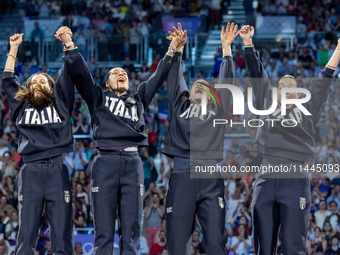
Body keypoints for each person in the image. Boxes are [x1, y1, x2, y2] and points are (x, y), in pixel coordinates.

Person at [55, 26, 183, 255]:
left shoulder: (139, 99)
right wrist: (69, 44)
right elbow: (82, 75)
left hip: (133, 163)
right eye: (115, 73)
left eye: (123, 72)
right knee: (103, 233)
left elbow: (157, 76)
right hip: (105, 161)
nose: (121, 74)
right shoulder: (98, 97)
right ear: (106, 83)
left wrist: (172, 50)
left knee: (132, 233)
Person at [240, 25, 340, 255]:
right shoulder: (267, 103)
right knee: (262, 248)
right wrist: (247, 43)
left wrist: (338, 50)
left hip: (295, 178)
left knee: (294, 246)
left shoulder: (307, 107)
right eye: (281, 85)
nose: (284, 85)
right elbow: (257, 74)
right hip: (266, 176)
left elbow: (324, 77)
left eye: (290, 85)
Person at [163, 23, 240, 255]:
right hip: (182, 175)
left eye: (206, 87)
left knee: (216, 242)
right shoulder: (180, 106)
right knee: (177, 244)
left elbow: (226, 84)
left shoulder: (217, 109)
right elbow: (175, 79)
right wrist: (177, 51)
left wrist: (226, 49)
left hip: (209, 176)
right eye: (196, 86)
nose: (201, 88)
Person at [2, 32, 74, 255]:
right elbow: (7, 79)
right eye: (33, 81)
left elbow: (68, 72)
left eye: (43, 81)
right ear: (28, 89)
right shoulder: (20, 107)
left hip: (56, 169)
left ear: (51, 88)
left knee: (62, 234)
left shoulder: (61, 103)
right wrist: (14, 48)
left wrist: (67, 44)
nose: (37, 83)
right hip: (30, 170)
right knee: (27, 234)